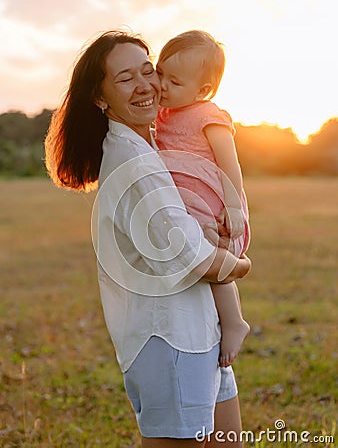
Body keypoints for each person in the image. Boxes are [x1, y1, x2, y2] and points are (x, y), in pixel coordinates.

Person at [44, 30, 251, 447]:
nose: (146, 85)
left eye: (147, 70)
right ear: (100, 98)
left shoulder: (155, 141)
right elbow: (197, 259)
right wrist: (241, 261)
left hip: (200, 332)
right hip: (169, 342)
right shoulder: (132, 163)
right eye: (125, 78)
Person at [155, 30, 251, 368]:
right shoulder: (161, 113)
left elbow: (229, 162)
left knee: (215, 263)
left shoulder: (209, 115)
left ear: (203, 90)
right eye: (160, 73)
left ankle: (234, 321)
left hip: (211, 205)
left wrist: (234, 206)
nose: (163, 85)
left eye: (175, 81)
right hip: (183, 206)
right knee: (195, 262)